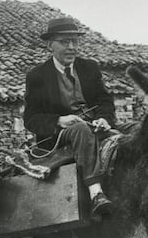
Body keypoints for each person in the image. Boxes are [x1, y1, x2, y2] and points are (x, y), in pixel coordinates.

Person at [23, 17, 118, 218]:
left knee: (134, 130)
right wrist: (59, 120)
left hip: (94, 125)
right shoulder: (38, 76)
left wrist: (104, 119)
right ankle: (96, 192)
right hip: (61, 134)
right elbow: (31, 118)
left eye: (75, 41)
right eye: (64, 42)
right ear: (50, 45)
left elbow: (105, 100)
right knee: (81, 130)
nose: (72, 47)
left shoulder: (89, 67)